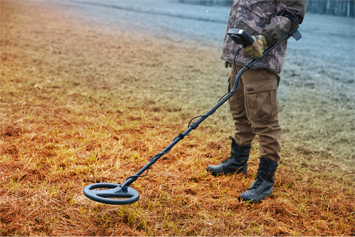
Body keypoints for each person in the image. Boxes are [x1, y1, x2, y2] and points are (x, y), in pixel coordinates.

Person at [207, 0, 307, 203]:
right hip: (239, 54)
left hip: (262, 58)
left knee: (264, 120)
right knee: (240, 110)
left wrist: (263, 40)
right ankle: (237, 161)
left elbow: (292, 12)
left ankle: (265, 181)